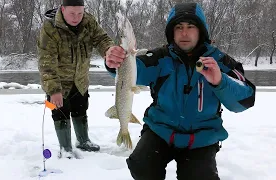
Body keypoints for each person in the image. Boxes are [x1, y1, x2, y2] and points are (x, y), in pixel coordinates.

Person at [105, 2, 256, 180]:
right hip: (161, 130)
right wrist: (114, 62)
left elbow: (245, 99)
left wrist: (220, 81)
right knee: (141, 165)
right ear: (172, 31)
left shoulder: (221, 61)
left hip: (201, 137)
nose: (184, 33)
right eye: (179, 27)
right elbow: (134, 70)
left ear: (201, 30)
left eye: (190, 26)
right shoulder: (159, 58)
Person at [37, 0, 120, 158]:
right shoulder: (50, 28)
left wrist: (109, 51)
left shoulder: (88, 22)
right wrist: (54, 90)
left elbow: (102, 39)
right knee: (60, 113)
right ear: (63, 9)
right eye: (72, 13)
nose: (76, 17)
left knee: (81, 109)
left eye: (80, 13)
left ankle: (83, 141)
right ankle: (65, 147)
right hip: (58, 82)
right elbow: (46, 62)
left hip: (80, 80)